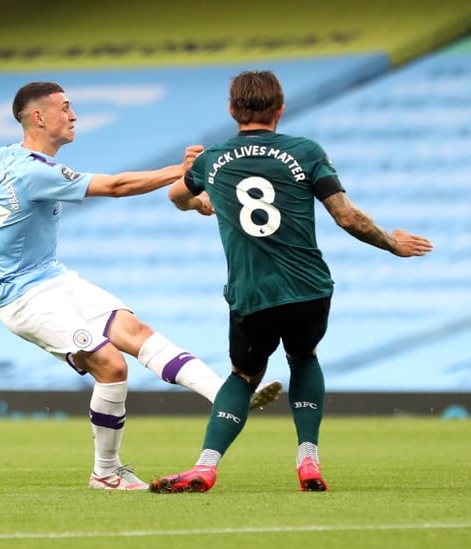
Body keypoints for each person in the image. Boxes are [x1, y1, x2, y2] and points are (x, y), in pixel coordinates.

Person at [0, 81, 282, 491]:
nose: (73, 116)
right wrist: (181, 172)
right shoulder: (33, 171)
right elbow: (116, 187)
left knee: (135, 332)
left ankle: (228, 397)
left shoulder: (3, 158)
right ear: (38, 117)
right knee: (111, 365)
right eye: (66, 108)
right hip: (23, 298)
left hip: (55, 279)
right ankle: (106, 473)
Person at [150, 70, 433, 493]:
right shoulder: (305, 151)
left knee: (243, 377)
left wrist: (200, 200)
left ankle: (206, 466)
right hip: (308, 289)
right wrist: (392, 243)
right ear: (281, 110)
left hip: (251, 293)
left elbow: (175, 196)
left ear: (231, 110)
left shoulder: (213, 159)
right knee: (304, 358)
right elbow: (348, 216)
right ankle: (308, 461)